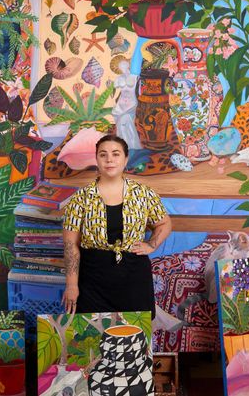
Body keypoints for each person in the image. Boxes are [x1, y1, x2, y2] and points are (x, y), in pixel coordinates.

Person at [62, 135, 172, 318]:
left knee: (135, 337)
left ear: (126, 159)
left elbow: (164, 223)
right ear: (96, 159)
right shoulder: (80, 198)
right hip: (93, 280)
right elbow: (70, 245)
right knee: (93, 337)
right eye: (103, 154)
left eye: (115, 154)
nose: (109, 159)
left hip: (134, 277)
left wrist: (151, 244)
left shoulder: (143, 194)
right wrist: (72, 285)